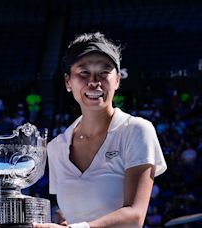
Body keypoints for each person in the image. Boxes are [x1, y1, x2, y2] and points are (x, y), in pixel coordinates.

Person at [34, 32, 167, 228]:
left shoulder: (137, 130)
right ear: (68, 82)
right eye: (83, 72)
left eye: (104, 72)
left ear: (118, 80)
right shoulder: (56, 147)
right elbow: (67, 213)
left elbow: (135, 216)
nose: (94, 81)